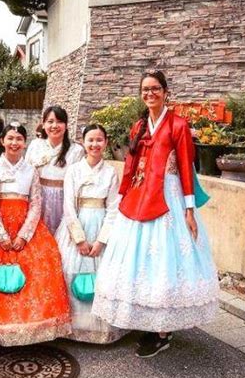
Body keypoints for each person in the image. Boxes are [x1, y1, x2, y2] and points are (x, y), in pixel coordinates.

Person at [92, 70, 219, 358]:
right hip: (139, 195)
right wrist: (123, 194)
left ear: (165, 91)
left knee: (164, 257)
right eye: (145, 89)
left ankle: (163, 330)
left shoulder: (177, 125)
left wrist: (188, 210)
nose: (150, 94)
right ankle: (147, 320)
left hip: (168, 196)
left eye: (155, 89)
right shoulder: (139, 126)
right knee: (140, 259)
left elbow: (187, 166)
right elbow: (129, 164)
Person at [0, 122, 71, 346]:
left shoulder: (30, 170)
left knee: (43, 266)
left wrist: (24, 235)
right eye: (10, 138)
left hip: (25, 227)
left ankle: (35, 325)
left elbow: (36, 204)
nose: (14, 143)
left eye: (19, 139)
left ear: (25, 143)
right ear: (2, 141)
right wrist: (1, 235)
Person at [55, 124, 125, 344]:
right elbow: (68, 206)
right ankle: (74, 325)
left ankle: (100, 327)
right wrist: (80, 239)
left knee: (103, 274)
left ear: (106, 142)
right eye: (90, 140)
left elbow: (114, 207)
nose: (95, 144)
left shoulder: (111, 172)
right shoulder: (74, 171)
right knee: (71, 270)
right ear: (83, 143)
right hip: (78, 223)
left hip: (102, 222)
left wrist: (101, 240)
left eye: (99, 140)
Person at [25, 106, 84, 234]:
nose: (54, 125)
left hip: (64, 198)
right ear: (44, 124)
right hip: (38, 197)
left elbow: (78, 181)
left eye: (59, 121)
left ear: (66, 125)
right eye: (50, 121)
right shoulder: (35, 145)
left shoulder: (76, 150)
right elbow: (26, 172)